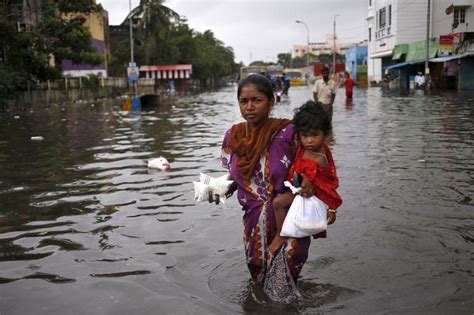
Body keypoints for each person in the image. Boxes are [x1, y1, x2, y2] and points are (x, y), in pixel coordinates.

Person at [209, 74, 314, 303]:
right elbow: (238, 178)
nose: (249, 107)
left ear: (271, 101)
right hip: (253, 224)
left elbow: (316, 166)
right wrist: (220, 190)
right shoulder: (233, 136)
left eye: (256, 100)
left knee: (282, 293)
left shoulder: (289, 134)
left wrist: (310, 183)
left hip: (287, 221)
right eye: (243, 101)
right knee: (259, 281)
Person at [269, 100, 342, 254]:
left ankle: (281, 235)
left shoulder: (319, 158)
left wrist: (332, 209)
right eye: (305, 135)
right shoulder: (302, 147)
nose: (309, 140)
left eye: (315, 135)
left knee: (277, 203)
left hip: (306, 194)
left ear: (325, 134)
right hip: (297, 189)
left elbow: (327, 185)